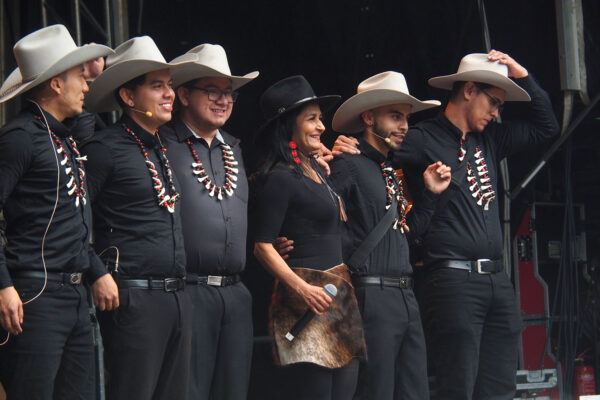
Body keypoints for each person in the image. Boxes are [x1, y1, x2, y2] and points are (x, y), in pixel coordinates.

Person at [333, 51, 560, 399]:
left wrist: (523, 73)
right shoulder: (422, 137)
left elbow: (547, 126)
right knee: (456, 384)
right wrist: (348, 146)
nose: (497, 112)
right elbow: (379, 147)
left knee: (500, 385)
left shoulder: (490, 139)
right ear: (468, 90)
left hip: (497, 279)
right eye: (494, 102)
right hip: (452, 277)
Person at [0, 24, 117, 399]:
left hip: (73, 294)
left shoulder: (62, 135)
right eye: (79, 78)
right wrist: (3, 285)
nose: (86, 86)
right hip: (34, 294)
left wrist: (95, 270)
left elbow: (71, 221)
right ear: (54, 85)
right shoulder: (19, 137)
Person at [324, 71, 450, 399]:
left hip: (405, 295)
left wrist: (431, 194)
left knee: (415, 391)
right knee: (375, 391)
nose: (405, 126)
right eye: (396, 116)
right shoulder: (347, 164)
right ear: (368, 117)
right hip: (370, 294)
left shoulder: (388, 170)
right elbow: (319, 219)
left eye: (406, 118)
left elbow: (406, 237)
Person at [82, 36, 195, 400]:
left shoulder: (163, 144)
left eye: (170, 86)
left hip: (177, 295)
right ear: (128, 97)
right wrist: (96, 272)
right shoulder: (105, 148)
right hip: (134, 297)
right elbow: (73, 220)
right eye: (157, 86)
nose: (169, 95)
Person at [252, 75, 365, 400]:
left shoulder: (315, 172)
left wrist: (318, 164)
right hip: (306, 296)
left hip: (338, 289)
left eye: (321, 118)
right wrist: (301, 287)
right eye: (312, 119)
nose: (321, 127)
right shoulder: (279, 178)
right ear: (288, 125)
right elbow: (262, 247)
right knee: (316, 391)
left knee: (346, 388)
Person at [162, 43, 259, 400]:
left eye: (228, 94)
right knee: (188, 390)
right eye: (212, 92)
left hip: (235, 291)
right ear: (183, 95)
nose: (222, 101)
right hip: (188, 289)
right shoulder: (163, 143)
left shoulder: (233, 146)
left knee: (233, 390)